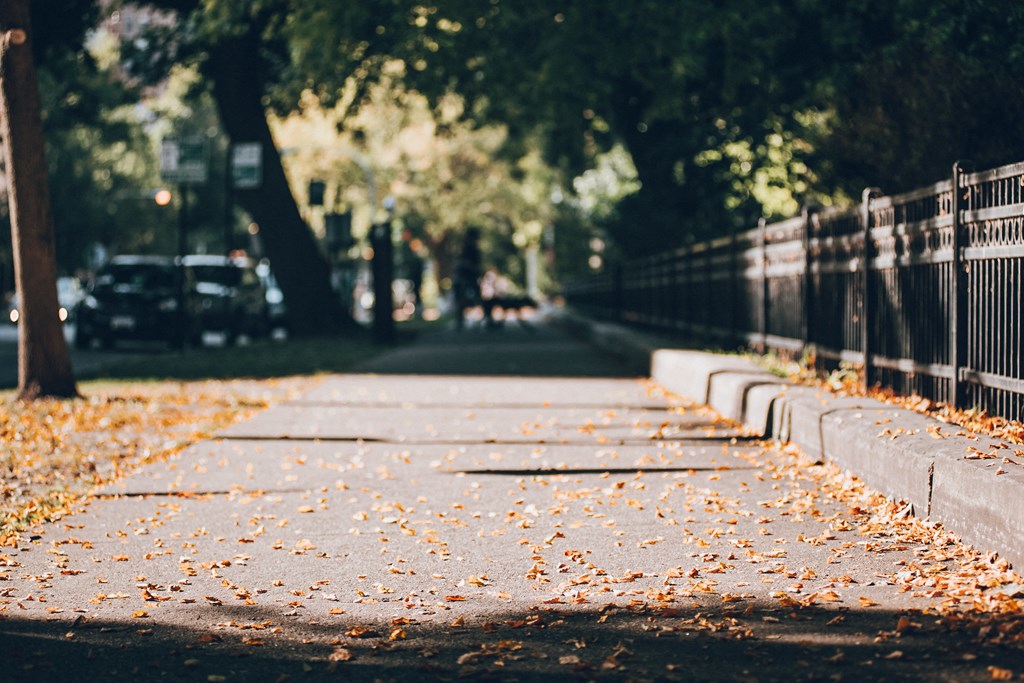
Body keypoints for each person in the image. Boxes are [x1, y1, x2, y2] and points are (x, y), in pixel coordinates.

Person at [452, 228, 482, 328]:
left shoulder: (470, 248)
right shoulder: (466, 248)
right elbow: (462, 262)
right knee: (462, 298)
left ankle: (480, 319)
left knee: (476, 296)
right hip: (465, 276)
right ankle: (460, 320)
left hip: (470, 276)